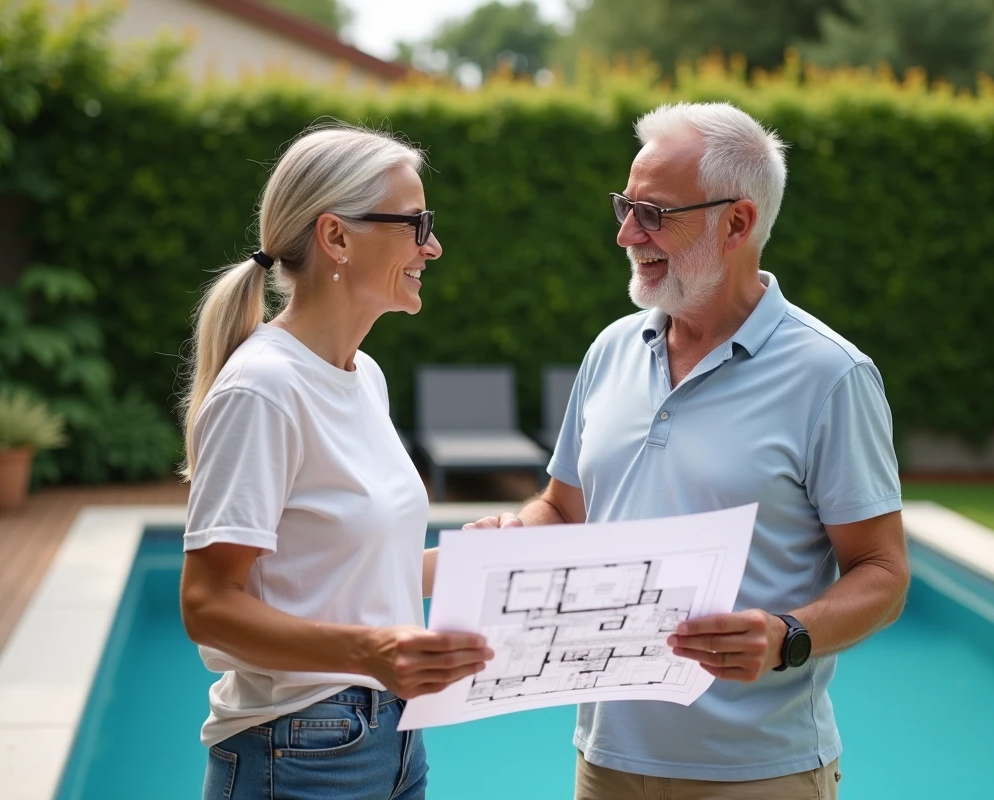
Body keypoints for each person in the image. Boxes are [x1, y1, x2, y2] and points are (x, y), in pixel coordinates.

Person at [467, 102, 910, 799]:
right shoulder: (610, 350)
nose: (624, 234)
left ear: (737, 222)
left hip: (760, 774)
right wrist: (511, 535)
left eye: (652, 213)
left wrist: (788, 635)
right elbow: (563, 508)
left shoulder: (830, 375)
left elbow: (883, 572)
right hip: (605, 762)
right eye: (624, 206)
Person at [179, 126, 493, 800]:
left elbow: (329, 568)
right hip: (297, 750)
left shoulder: (362, 375)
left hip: (394, 738)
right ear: (337, 238)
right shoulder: (263, 389)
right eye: (416, 224)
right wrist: (367, 652)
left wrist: (468, 560)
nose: (432, 246)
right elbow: (207, 606)